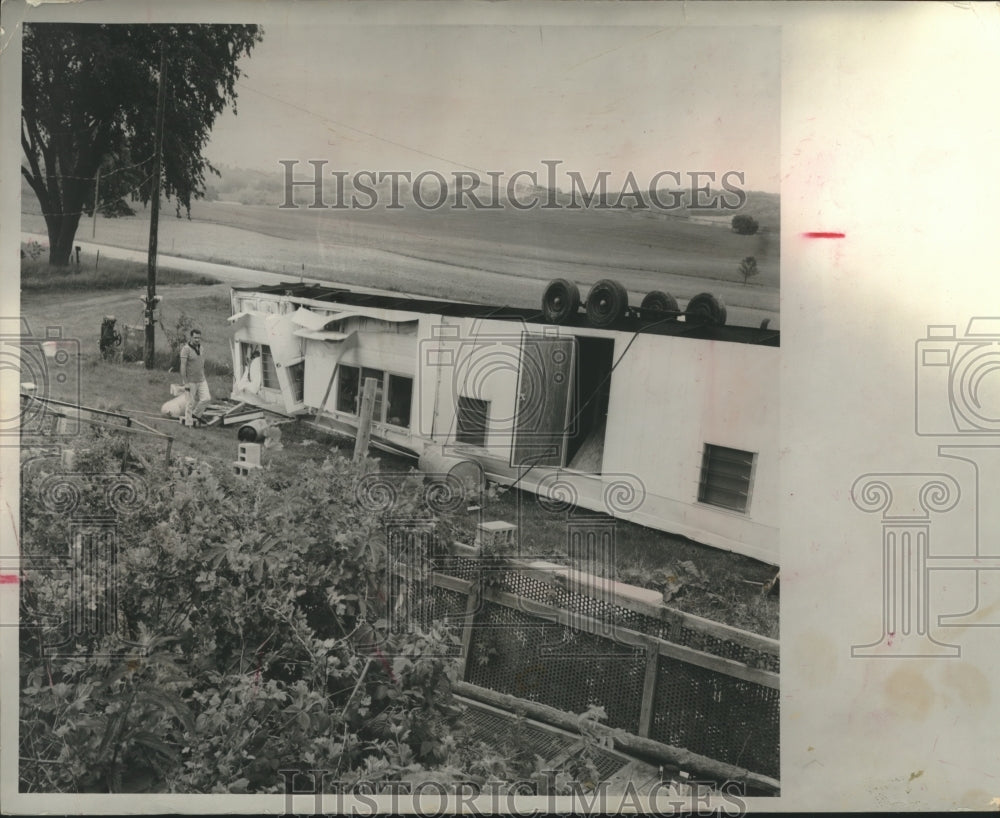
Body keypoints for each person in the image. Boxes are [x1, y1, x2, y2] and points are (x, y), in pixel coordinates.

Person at [178, 328, 211, 417]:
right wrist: (185, 382)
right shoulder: (186, 349)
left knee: (206, 399)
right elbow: (183, 366)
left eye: (199, 338)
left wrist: (202, 374)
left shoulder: (201, 348)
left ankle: (195, 416)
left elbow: (201, 363)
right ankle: (188, 423)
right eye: (195, 338)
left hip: (201, 379)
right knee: (190, 403)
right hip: (191, 381)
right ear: (191, 337)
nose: (197, 340)